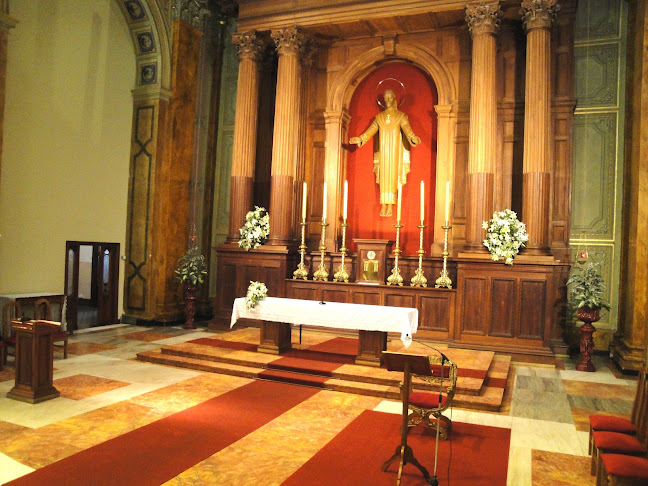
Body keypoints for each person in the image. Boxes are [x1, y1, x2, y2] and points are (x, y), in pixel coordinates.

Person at [349, 89, 421, 217]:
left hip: (395, 152)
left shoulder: (401, 116)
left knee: (393, 176)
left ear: (394, 99)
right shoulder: (379, 117)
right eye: (385, 98)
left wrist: (412, 137)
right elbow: (371, 130)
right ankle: (384, 204)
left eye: (390, 97)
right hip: (383, 151)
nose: (387, 100)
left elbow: (407, 128)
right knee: (384, 176)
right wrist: (360, 139)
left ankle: (391, 204)